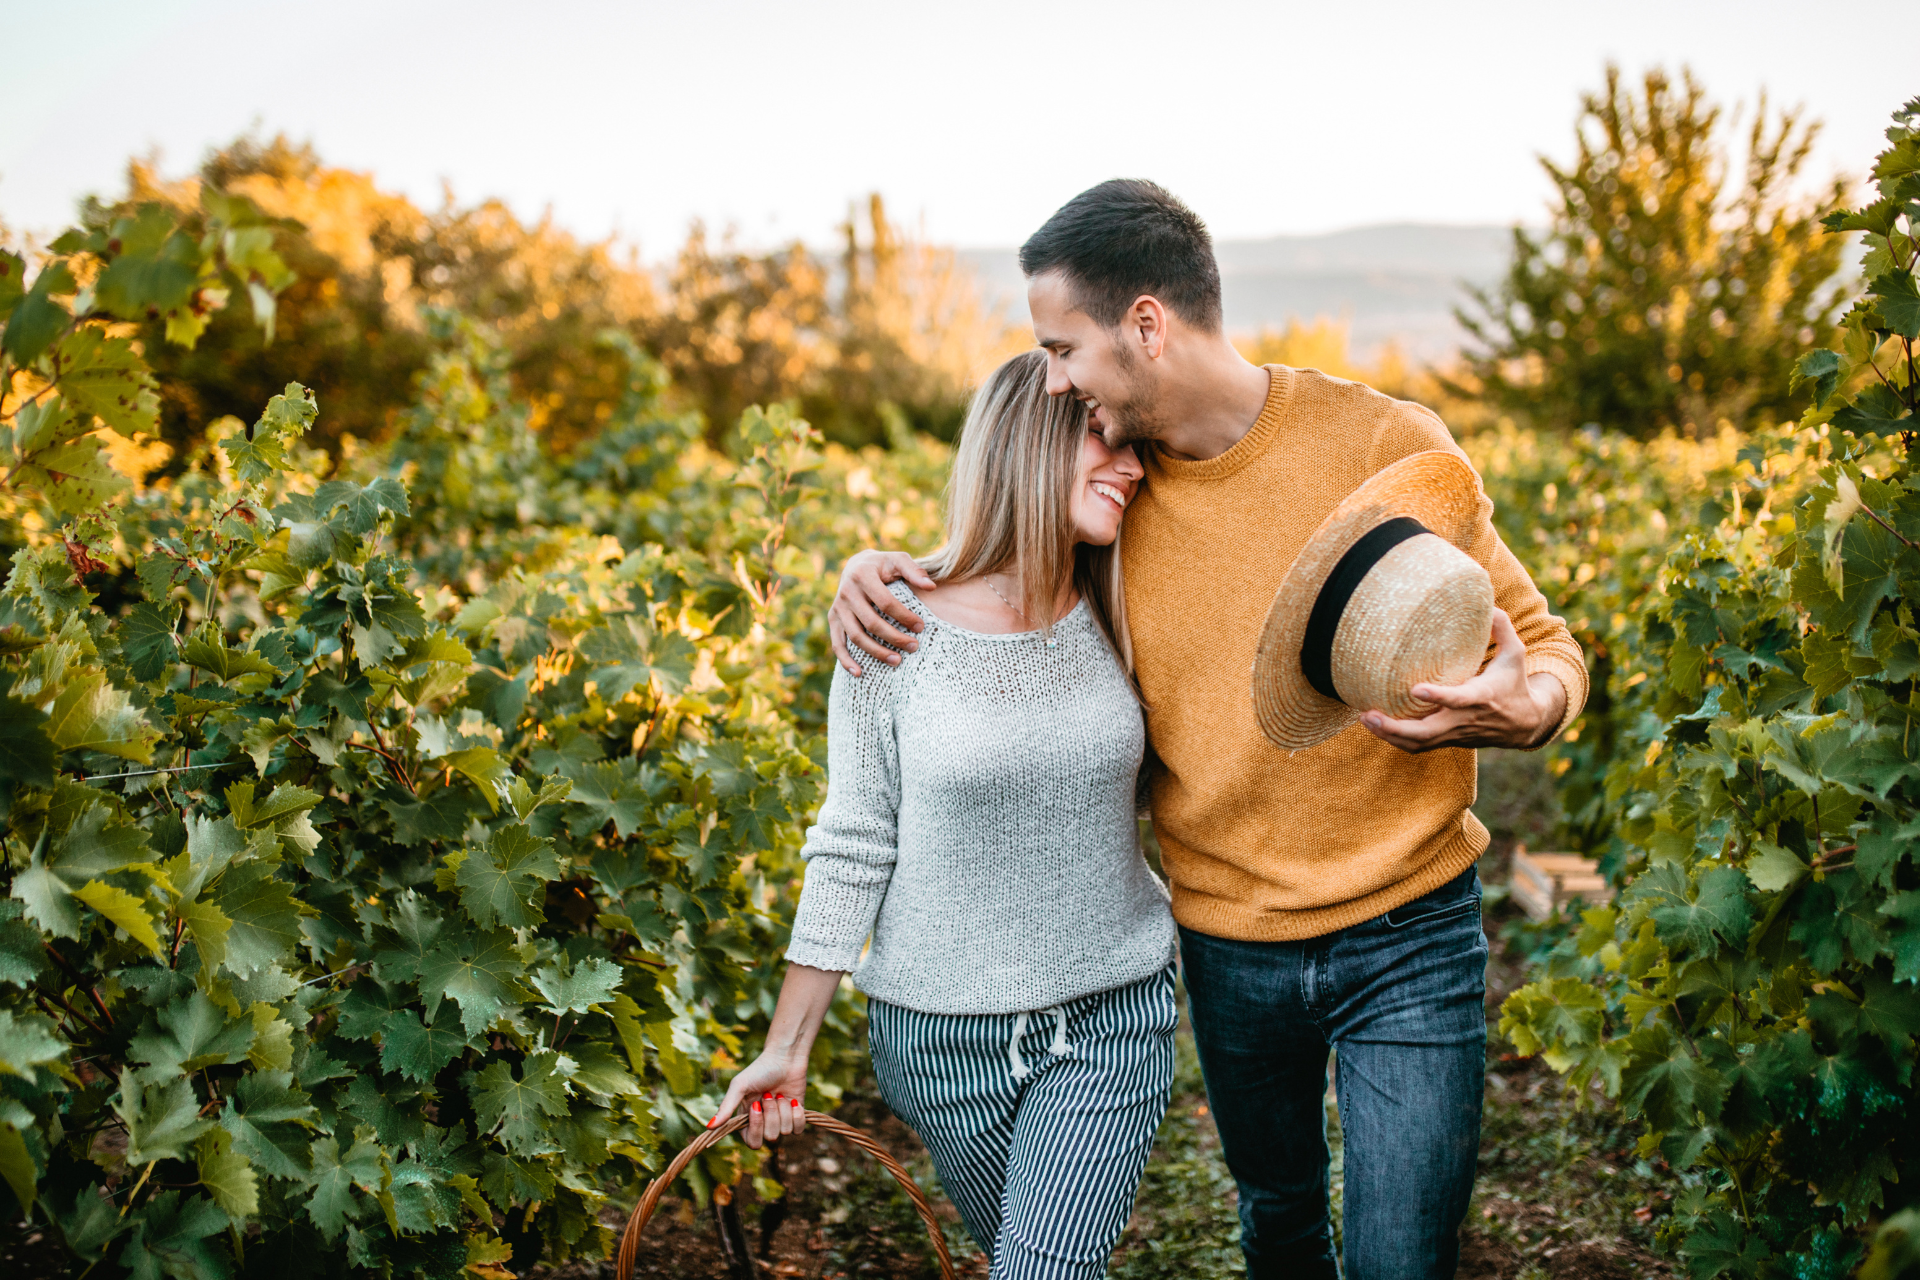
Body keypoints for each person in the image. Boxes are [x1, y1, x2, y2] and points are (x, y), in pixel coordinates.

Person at [829, 181, 1588, 1280]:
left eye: (1063, 346)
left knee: (1401, 1254)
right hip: (1230, 941)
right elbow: (996, 582)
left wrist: (1537, 703)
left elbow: (1541, 639)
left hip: (1412, 923)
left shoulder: (1384, 441)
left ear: (1147, 324)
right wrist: (870, 573)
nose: (1054, 378)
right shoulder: (1113, 504)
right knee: (1277, 1219)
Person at [712, 349, 1180, 1280]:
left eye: (1138, 447)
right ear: (1024, 440)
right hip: (936, 1043)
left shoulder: (1127, 603)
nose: (1131, 464)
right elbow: (853, 841)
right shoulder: (893, 624)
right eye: (1103, 436)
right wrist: (785, 1050)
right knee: (1025, 1258)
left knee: (1042, 1268)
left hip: (1110, 1016)